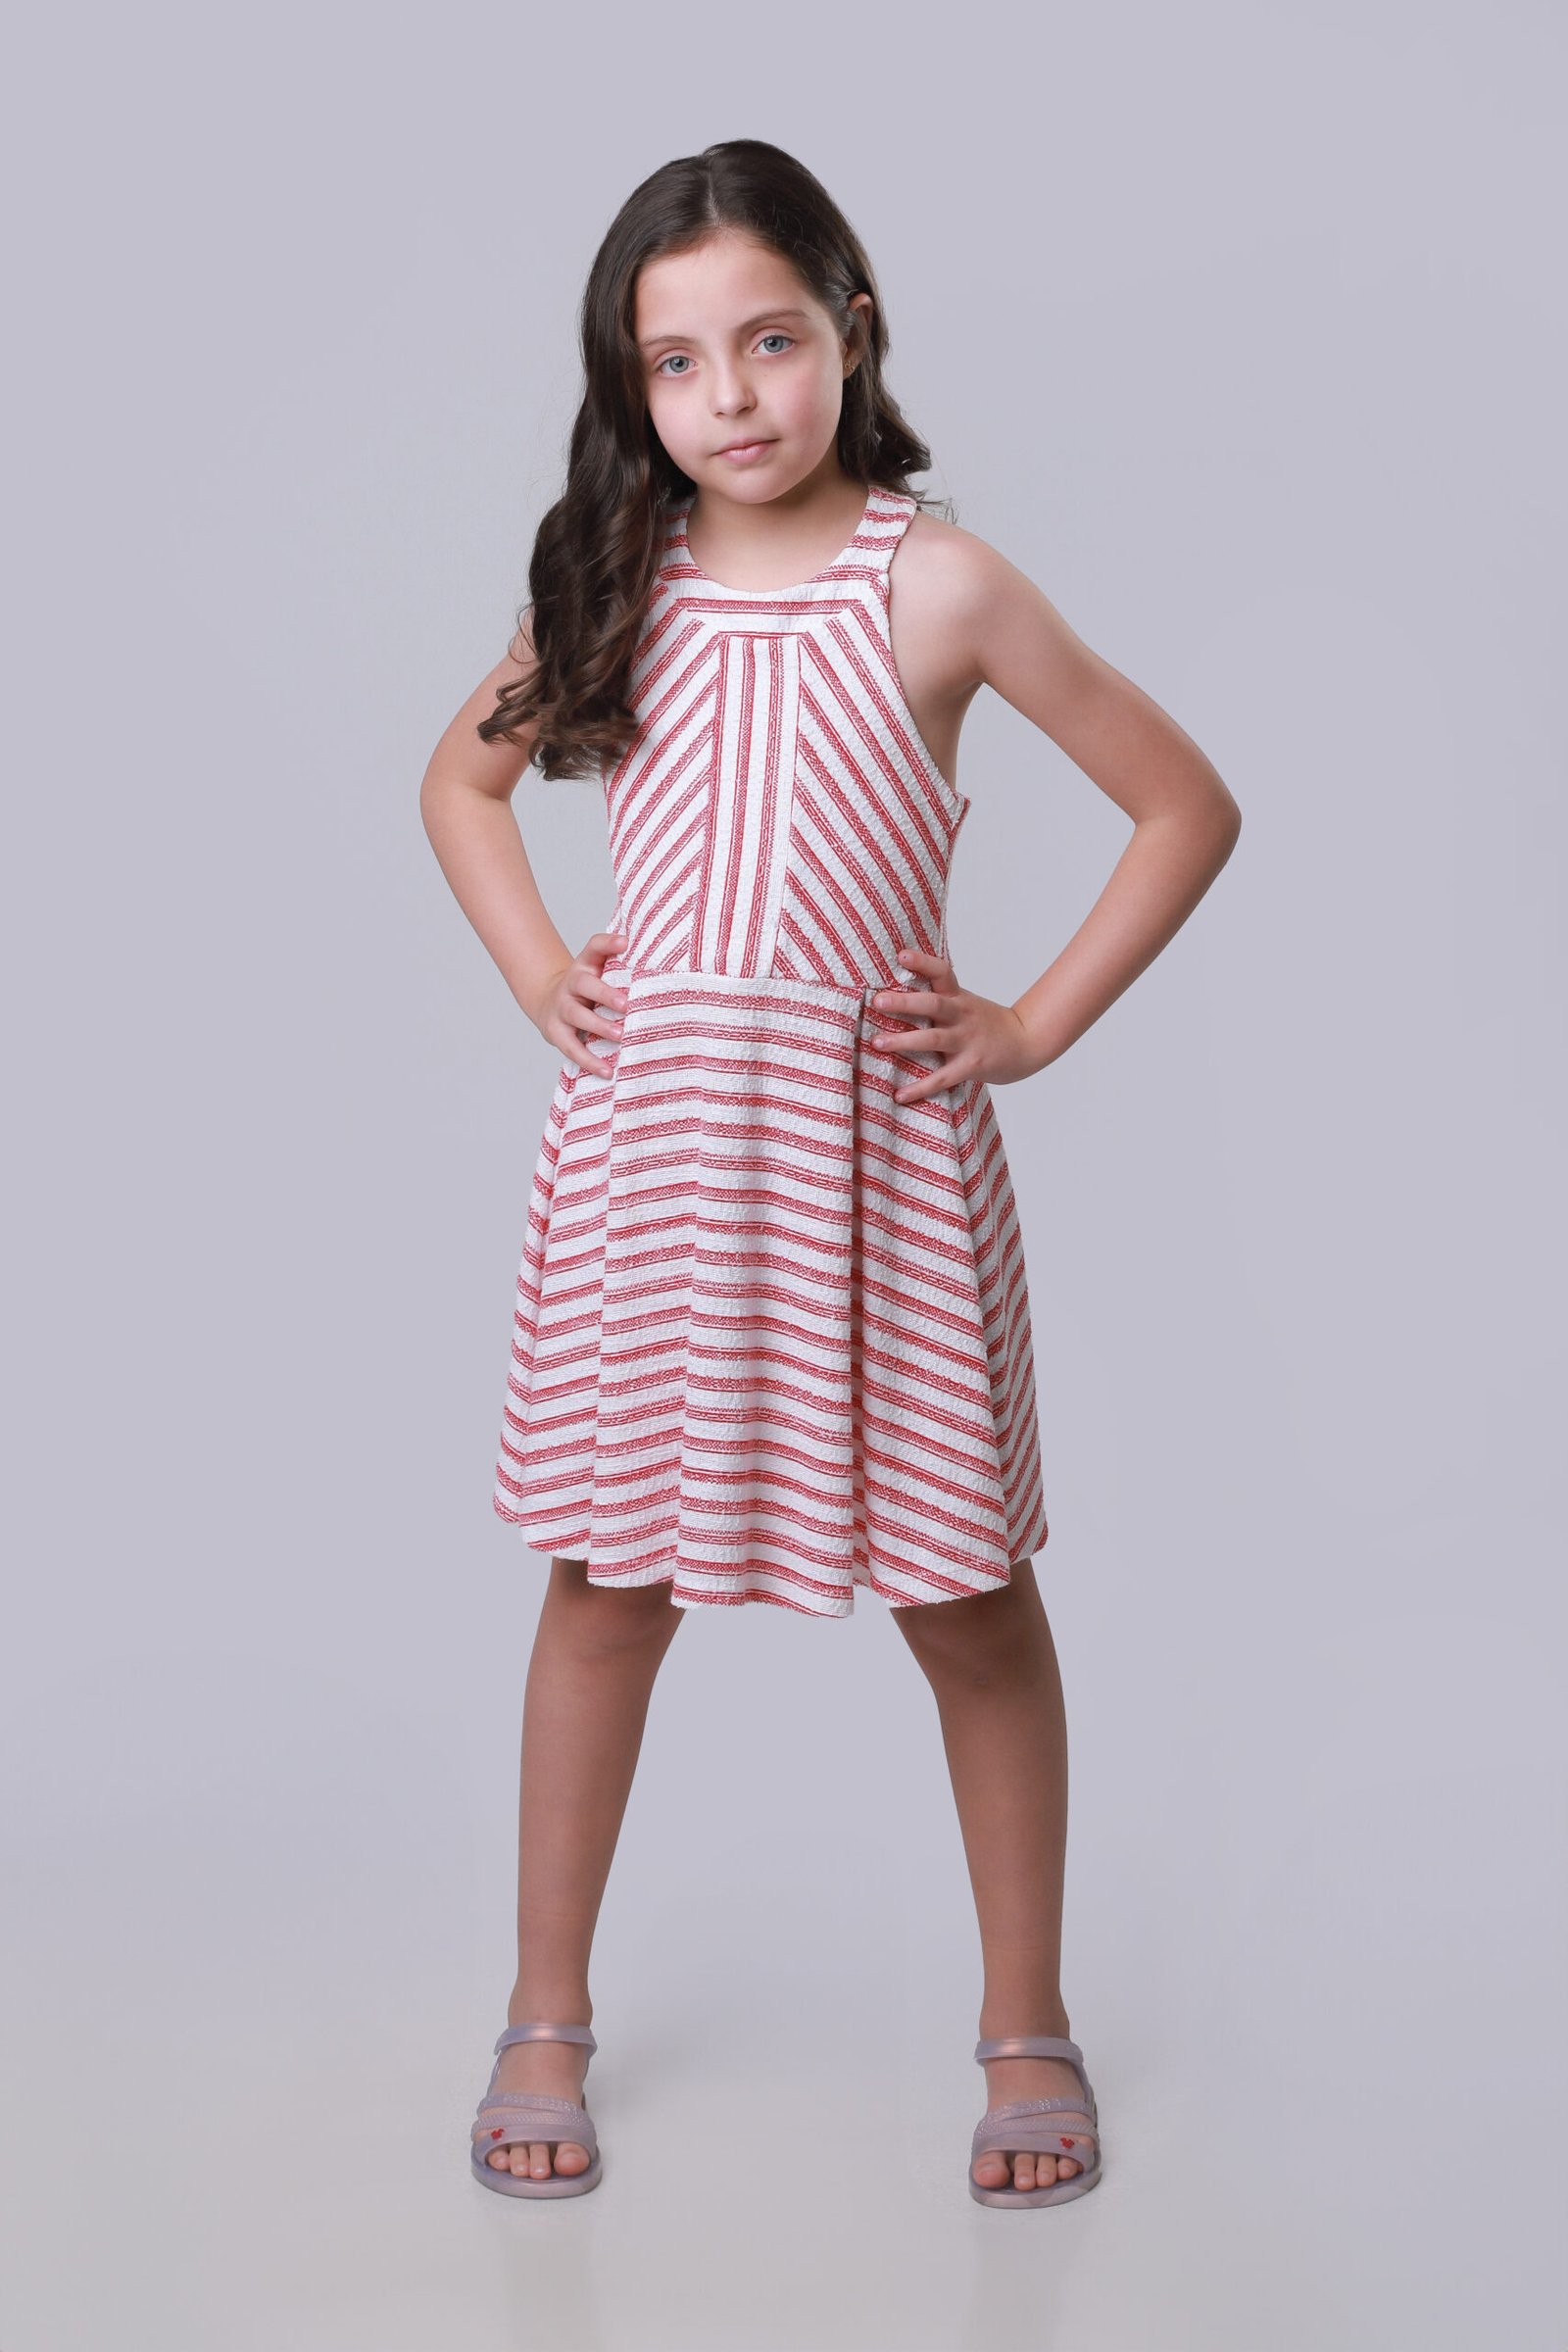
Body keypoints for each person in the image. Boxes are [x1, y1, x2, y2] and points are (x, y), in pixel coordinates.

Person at [420, 137, 1241, 2211]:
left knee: (967, 1599)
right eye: (677, 362)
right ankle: (541, 2009)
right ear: (632, 390)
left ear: (850, 331)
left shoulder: (931, 584)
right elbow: (461, 783)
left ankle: (1024, 2021)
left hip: (873, 1171)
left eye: (769, 340)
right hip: (656, 1167)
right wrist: (541, 969)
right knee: (603, 1587)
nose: (733, 396)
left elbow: (1181, 805)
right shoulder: (618, 581)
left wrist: (1029, 1025)